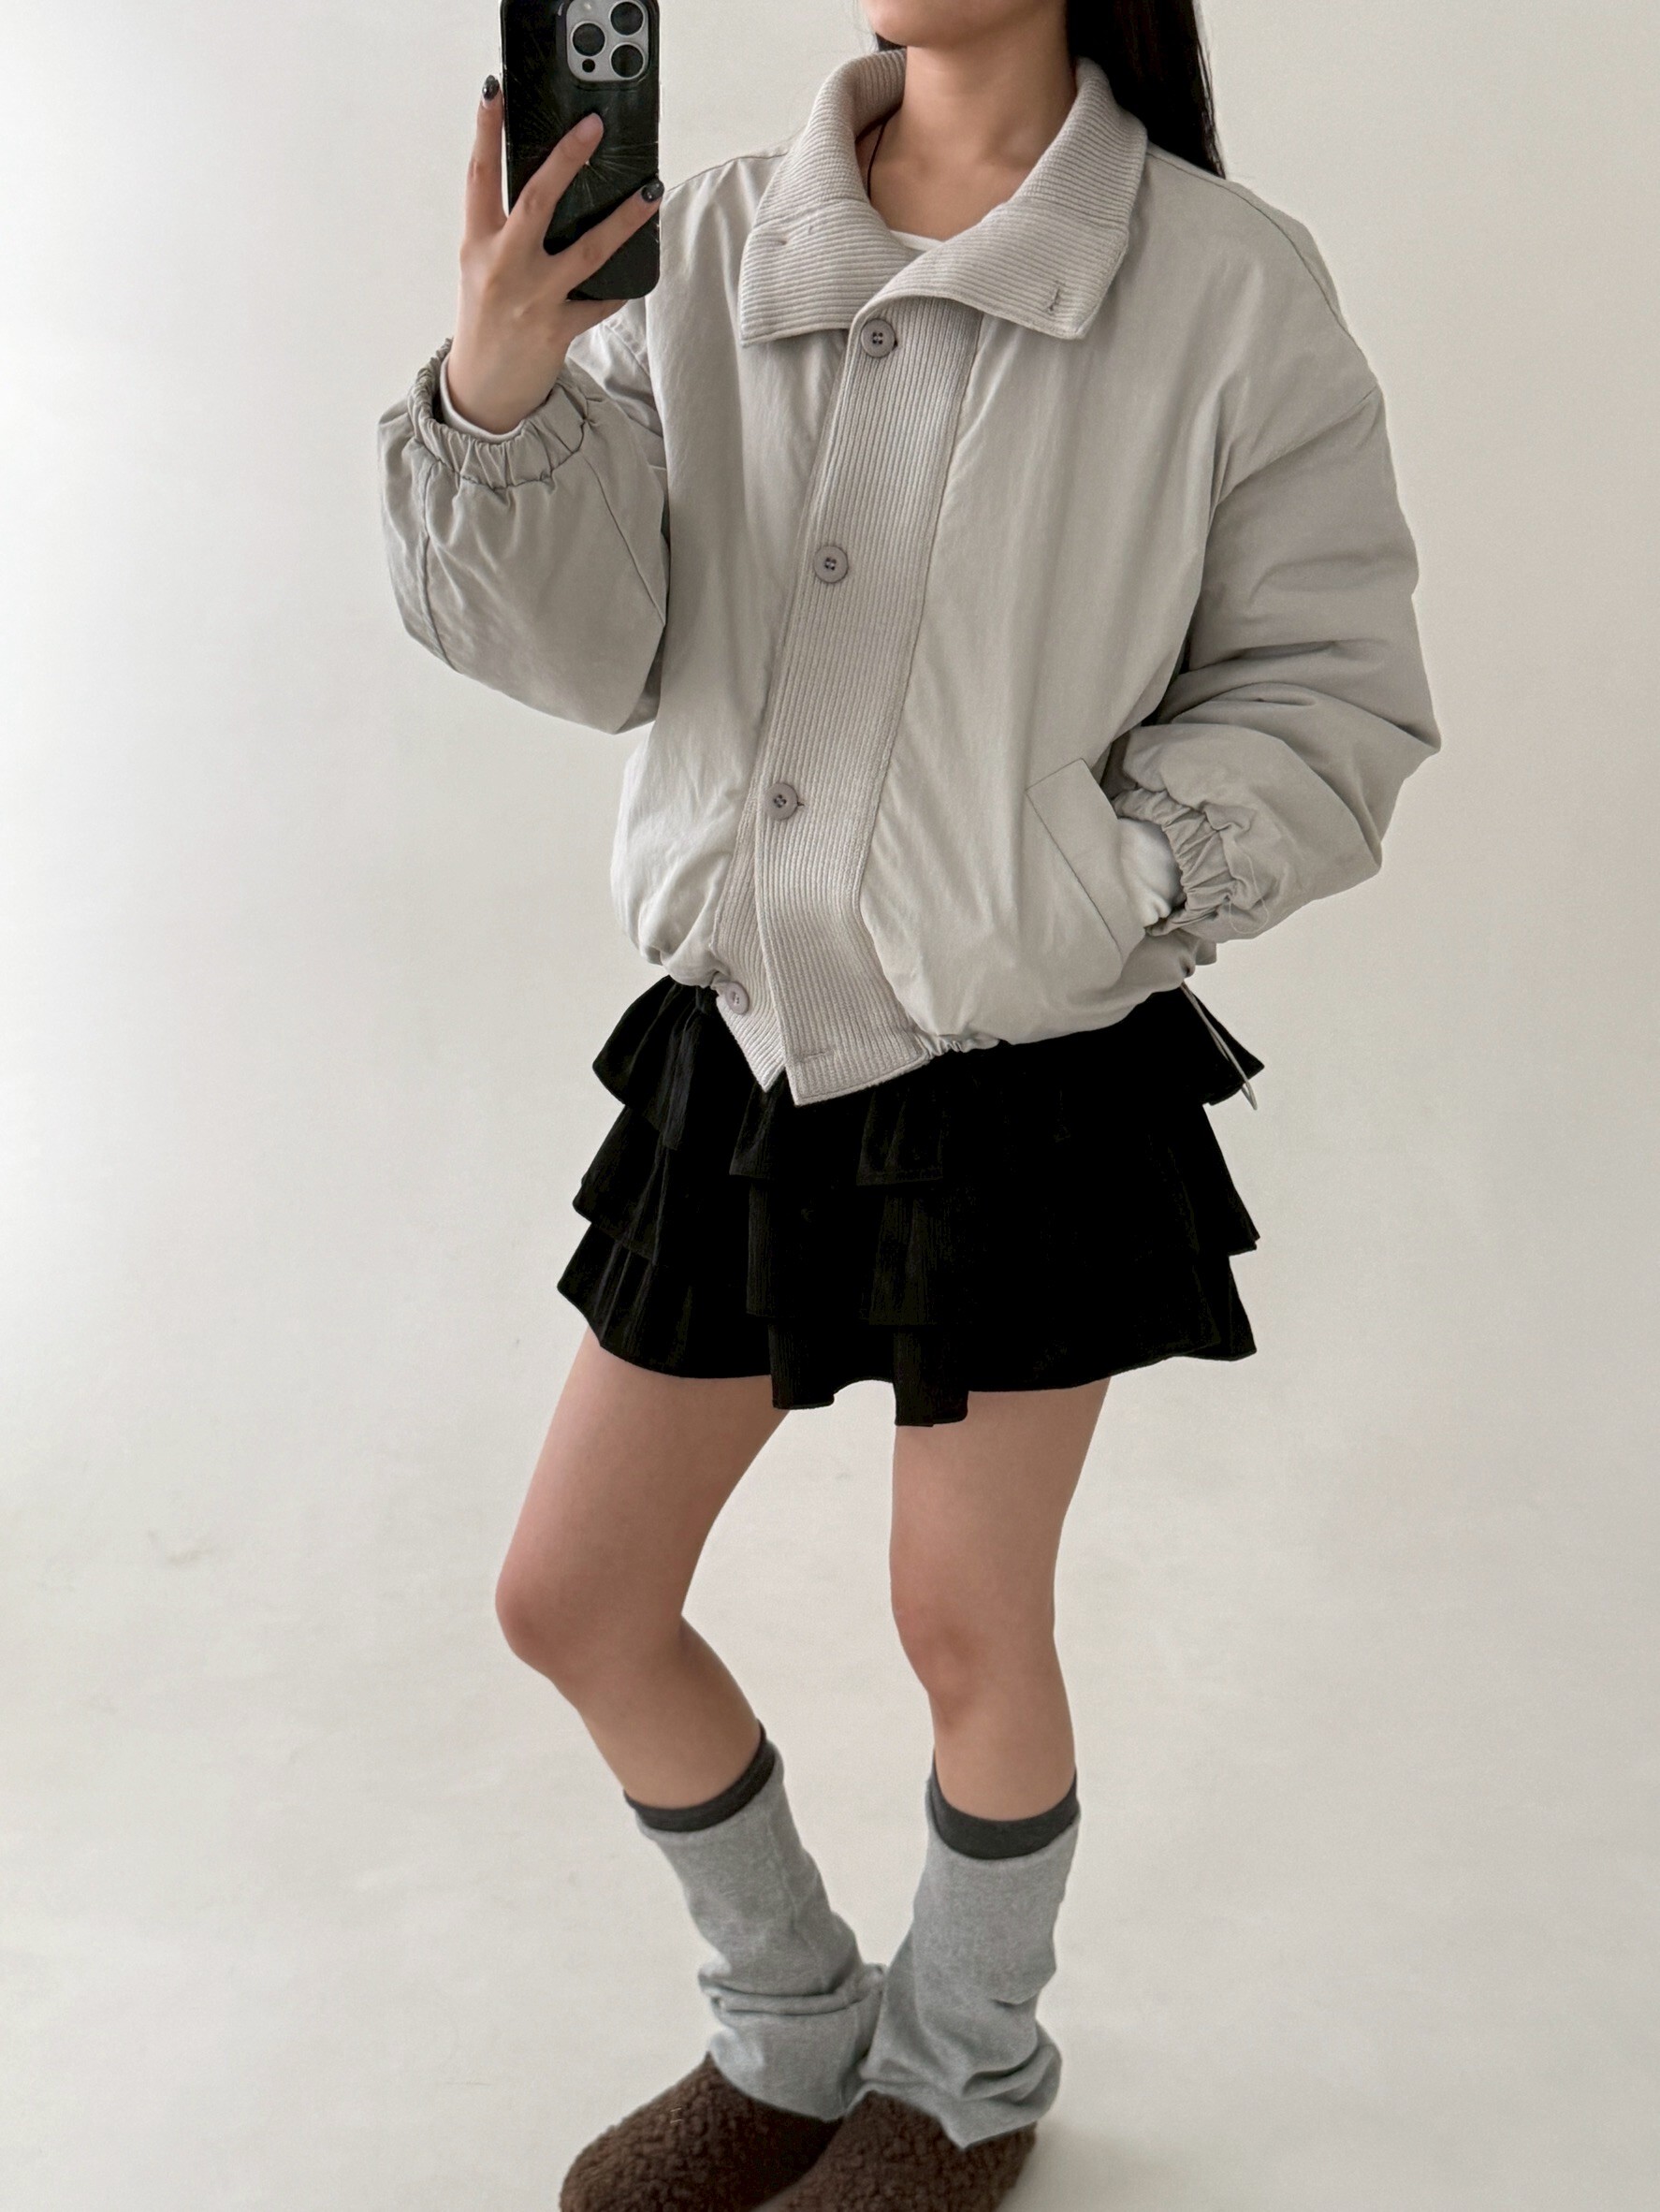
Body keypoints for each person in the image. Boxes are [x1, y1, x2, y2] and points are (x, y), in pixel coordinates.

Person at [378, 2, 1438, 2205]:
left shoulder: (1221, 284)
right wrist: (501, 394)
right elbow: (593, 655)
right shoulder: (710, 243)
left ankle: (960, 2074)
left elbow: (1326, 687)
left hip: (1025, 1071)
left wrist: (1087, 888)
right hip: (742, 1050)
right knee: (573, 1593)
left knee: (961, 1619)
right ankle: (790, 2036)